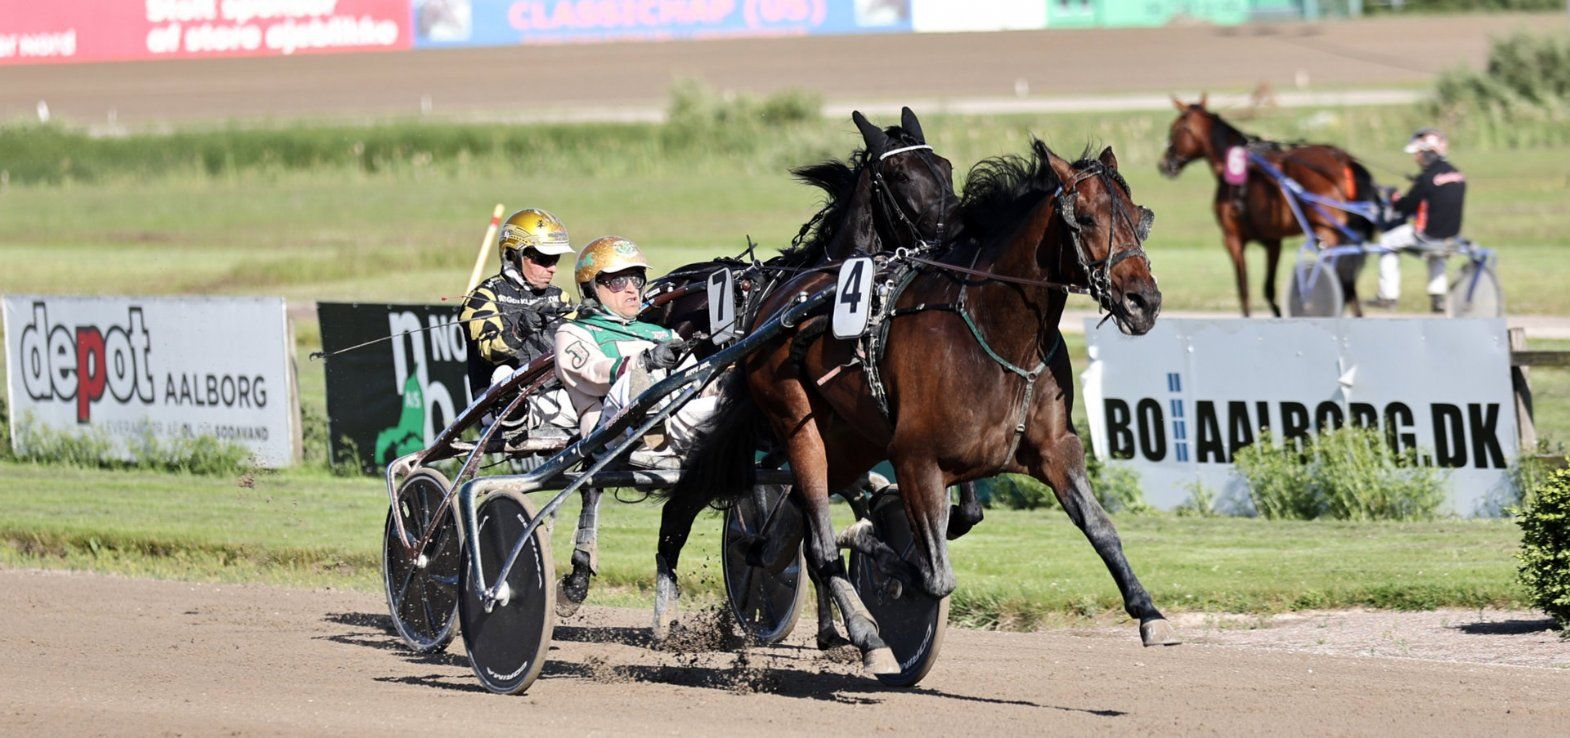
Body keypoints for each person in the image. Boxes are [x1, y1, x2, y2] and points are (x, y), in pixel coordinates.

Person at [554, 236, 708, 467]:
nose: (631, 290)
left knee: (729, 396)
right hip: (609, 432)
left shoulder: (663, 334)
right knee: (636, 378)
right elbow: (593, 374)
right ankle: (652, 440)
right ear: (591, 287)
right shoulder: (572, 331)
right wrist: (645, 361)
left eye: (636, 280)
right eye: (618, 282)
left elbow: (696, 381)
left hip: (676, 418)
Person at [460, 207, 577, 436]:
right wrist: (520, 329)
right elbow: (489, 351)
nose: (552, 267)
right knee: (503, 372)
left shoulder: (560, 297)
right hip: (496, 406)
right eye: (543, 259)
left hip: (556, 396)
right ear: (513, 255)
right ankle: (517, 417)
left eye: (555, 259)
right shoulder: (483, 297)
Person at [1370, 128, 1468, 313]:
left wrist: (1394, 198)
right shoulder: (1457, 174)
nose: (1416, 158)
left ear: (1429, 152)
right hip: (1450, 237)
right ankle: (1438, 298)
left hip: (1426, 236)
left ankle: (1387, 296)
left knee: (1386, 242)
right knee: (1437, 252)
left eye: (1418, 153)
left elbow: (1405, 207)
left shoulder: (1426, 178)